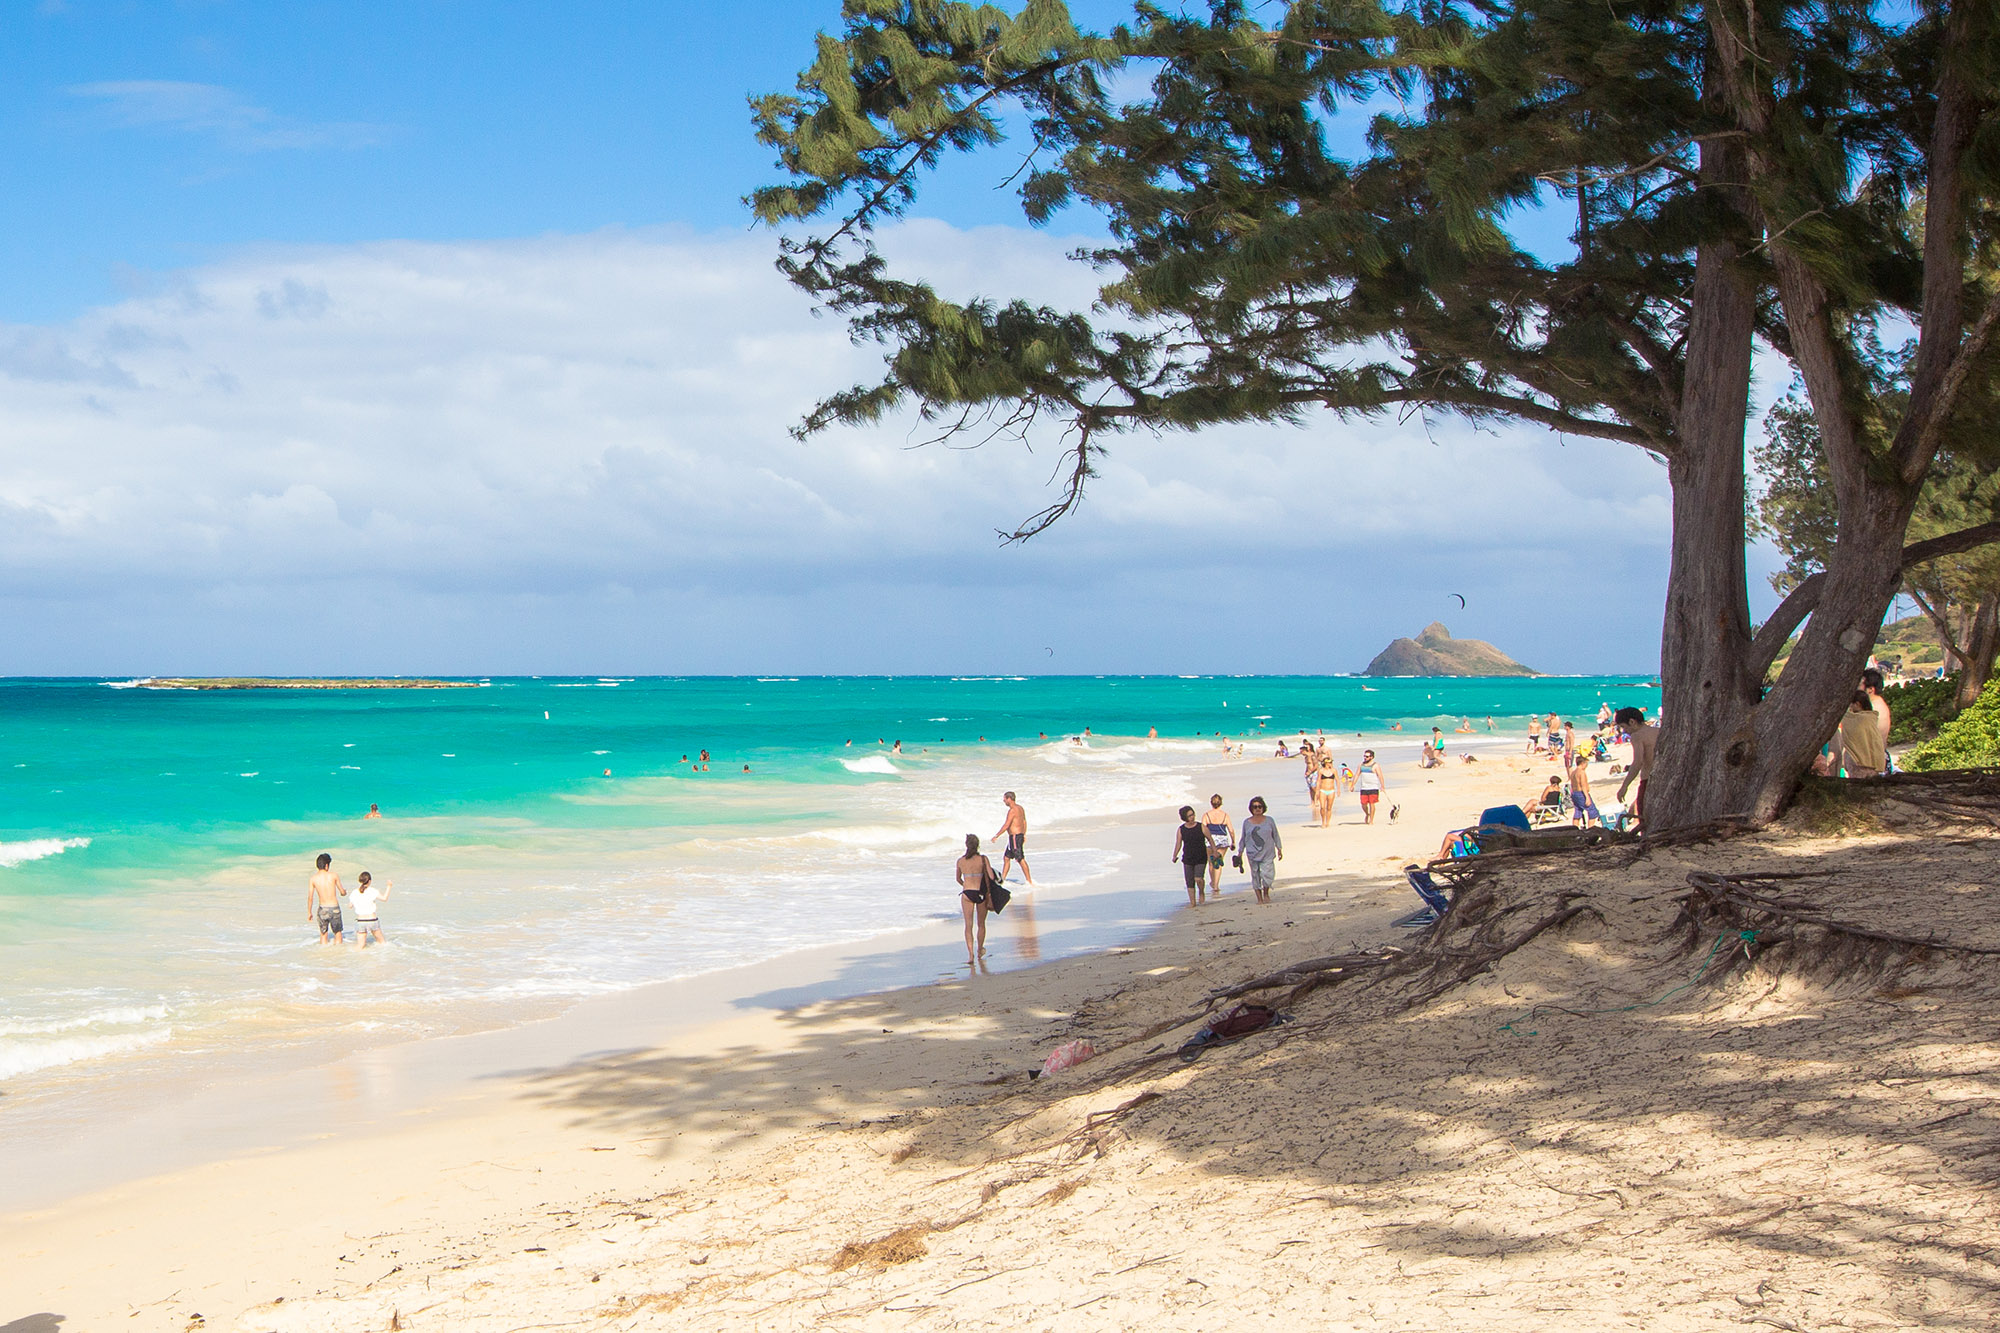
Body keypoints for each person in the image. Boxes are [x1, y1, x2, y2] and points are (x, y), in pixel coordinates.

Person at [954, 834, 997, 962]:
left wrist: (966, 885)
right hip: (981, 893)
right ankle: (980, 949)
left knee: (968, 925)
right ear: (977, 845)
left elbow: (958, 879)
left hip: (967, 893)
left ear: (966, 845)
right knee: (981, 924)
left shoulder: (960, 861)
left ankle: (971, 954)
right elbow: (992, 877)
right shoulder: (983, 859)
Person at [1614, 706, 1658, 826]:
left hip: (1647, 779)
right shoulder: (1658, 731)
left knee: (1643, 813)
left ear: (1632, 722)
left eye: (1624, 727)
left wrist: (1624, 786)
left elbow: (1637, 762)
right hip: (1662, 776)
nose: (1624, 731)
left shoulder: (1637, 736)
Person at [1238, 797, 1282, 903]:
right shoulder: (1247, 822)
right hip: (1252, 854)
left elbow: (1275, 835)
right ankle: (1259, 898)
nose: (1257, 809)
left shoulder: (1269, 820)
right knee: (1255, 875)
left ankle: (1266, 893)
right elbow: (1243, 838)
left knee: (1268, 875)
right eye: (1255, 807)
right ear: (1251, 809)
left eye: (1259, 806)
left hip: (1267, 852)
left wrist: (1279, 848)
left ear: (1263, 807)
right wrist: (1240, 852)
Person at [1836, 691, 1888, 777]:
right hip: (1870, 760)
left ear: (1857, 704)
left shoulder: (1856, 719)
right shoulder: (1871, 718)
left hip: (1858, 761)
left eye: (1851, 705)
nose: (1850, 708)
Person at [993, 792, 1033, 886]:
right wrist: (1024, 834)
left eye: (1005, 799)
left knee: (1020, 859)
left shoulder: (1012, 810)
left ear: (1009, 799)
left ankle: (1029, 881)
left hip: (1015, 837)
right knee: (1006, 858)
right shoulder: (1020, 808)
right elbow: (1024, 822)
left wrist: (997, 835)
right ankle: (1002, 879)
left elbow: (1007, 825)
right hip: (1016, 837)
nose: (1004, 801)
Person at [1172, 805, 1209, 905]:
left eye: (1193, 814)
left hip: (1201, 856)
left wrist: (1214, 851)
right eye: (1189, 816)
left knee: (1198, 878)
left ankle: (1201, 892)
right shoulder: (1181, 829)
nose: (1192, 817)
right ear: (1184, 818)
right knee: (1189, 881)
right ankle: (1192, 902)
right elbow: (1178, 843)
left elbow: (1210, 840)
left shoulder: (1201, 826)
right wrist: (1174, 855)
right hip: (1188, 858)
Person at [307, 852, 346, 944]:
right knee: (338, 933)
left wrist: (309, 912)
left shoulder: (313, 879)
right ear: (327, 865)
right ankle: (338, 953)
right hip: (334, 908)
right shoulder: (334, 875)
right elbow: (342, 892)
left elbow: (310, 898)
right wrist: (344, 892)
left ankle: (323, 954)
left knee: (323, 934)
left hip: (322, 909)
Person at [1202, 794, 1236, 895]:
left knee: (1211, 862)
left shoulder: (1206, 815)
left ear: (1211, 803)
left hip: (1210, 839)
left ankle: (1213, 882)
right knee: (1218, 861)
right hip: (1222, 839)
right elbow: (1231, 830)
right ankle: (1216, 884)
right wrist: (1233, 841)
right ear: (1221, 803)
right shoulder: (1225, 815)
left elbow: (1203, 829)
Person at [349, 871, 392, 946]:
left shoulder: (354, 892)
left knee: (360, 946)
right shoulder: (373, 891)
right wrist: (389, 886)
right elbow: (384, 899)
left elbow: (350, 906)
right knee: (382, 943)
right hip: (372, 920)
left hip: (361, 921)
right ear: (369, 881)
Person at [1862, 668, 1893, 769]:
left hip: (1873, 762)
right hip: (1878, 758)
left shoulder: (1873, 709)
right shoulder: (1879, 704)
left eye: (1859, 685)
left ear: (1870, 689)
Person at [1568, 747, 1601, 827]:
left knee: (1578, 811)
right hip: (1581, 793)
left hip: (1574, 793)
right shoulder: (1581, 772)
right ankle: (1590, 829)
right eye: (1586, 764)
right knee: (1592, 812)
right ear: (1583, 764)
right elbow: (1583, 785)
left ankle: (1575, 829)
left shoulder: (1573, 772)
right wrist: (1587, 797)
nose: (1586, 766)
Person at [1356, 749, 1386, 824]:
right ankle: (1367, 814)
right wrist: (1352, 785)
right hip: (1364, 787)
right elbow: (1357, 775)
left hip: (1373, 787)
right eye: (1364, 756)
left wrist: (1382, 786)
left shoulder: (1375, 765)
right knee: (1363, 804)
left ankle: (1371, 820)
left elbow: (1380, 776)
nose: (1365, 758)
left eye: (1367, 756)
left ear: (1371, 757)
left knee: (1372, 803)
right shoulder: (1361, 765)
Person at [1314, 750, 1339, 826]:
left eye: (1331, 762)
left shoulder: (1334, 770)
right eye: (1329, 762)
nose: (1331, 764)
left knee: (1329, 807)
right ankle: (1323, 822)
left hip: (1331, 791)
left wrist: (1338, 790)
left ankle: (1327, 822)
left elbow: (1337, 780)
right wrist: (1317, 792)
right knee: (1322, 807)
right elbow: (1318, 781)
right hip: (1323, 790)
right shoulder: (1321, 771)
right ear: (1325, 763)